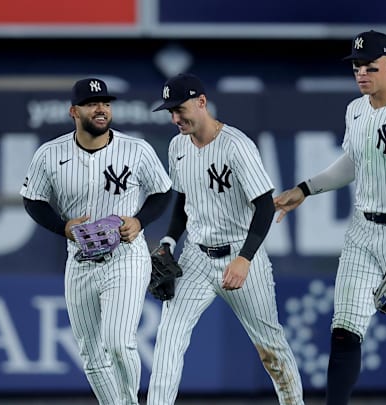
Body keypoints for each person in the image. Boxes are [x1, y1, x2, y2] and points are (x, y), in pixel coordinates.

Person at [274, 30, 386, 405]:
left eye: (370, 67)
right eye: (356, 67)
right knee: (344, 330)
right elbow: (354, 162)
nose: (362, 74)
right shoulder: (355, 109)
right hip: (363, 231)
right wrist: (305, 188)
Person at [147, 73, 305, 405]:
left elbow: (264, 206)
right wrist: (169, 243)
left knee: (271, 350)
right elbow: (182, 201)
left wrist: (245, 258)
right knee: (168, 341)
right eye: (170, 112)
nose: (175, 118)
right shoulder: (178, 146)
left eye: (180, 109)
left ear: (201, 102)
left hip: (241, 254)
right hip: (196, 258)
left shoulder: (236, 145)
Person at [20, 77, 172, 405]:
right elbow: (32, 200)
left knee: (118, 342)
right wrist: (62, 227)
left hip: (126, 255)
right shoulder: (50, 154)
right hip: (80, 260)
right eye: (92, 103)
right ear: (74, 111)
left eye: (105, 102)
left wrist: (139, 220)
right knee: (91, 353)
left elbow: (163, 191)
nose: (101, 108)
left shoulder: (137, 149)